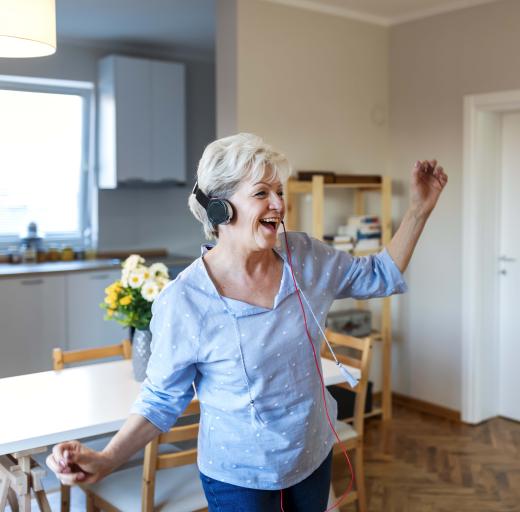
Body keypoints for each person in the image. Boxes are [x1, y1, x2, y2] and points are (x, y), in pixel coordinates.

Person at [47, 133, 447, 511]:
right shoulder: (185, 300)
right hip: (239, 478)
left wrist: (419, 209)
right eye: (261, 193)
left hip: (311, 456)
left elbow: (379, 274)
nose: (278, 203)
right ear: (221, 209)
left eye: (279, 192)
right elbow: (161, 400)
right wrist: (106, 458)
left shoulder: (305, 257)